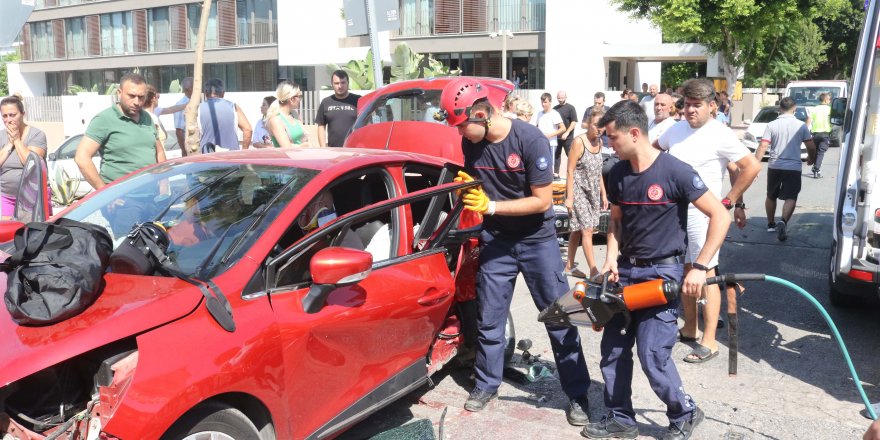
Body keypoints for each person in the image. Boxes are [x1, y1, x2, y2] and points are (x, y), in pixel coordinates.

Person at [435, 78, 592, 426]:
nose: (460, 133)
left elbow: (540, 201)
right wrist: (468, 188)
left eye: (462, 125)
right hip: (498, 242)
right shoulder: (472, 144)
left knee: (560, 318)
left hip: (538, 241)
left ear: (481, 113)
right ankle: (486, 384)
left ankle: (578, 393)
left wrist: (490, 206)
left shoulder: (529, 139)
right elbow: (479, 185)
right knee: (490, 319)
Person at [583, 99, 729, 440]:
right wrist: (609, 259)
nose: (608, 144)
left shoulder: (675, 171)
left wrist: (700, 267)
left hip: (662, 277)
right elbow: (616, 222)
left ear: (635, 133)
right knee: (613, 352)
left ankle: (684, 412)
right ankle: (621, 419)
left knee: (652, 355)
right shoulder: (616, 173)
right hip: (624, 276)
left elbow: (719, 216)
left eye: (612, 138)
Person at [656, 79, 761, 364]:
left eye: (696, 105)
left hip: (704, 217)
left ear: (712, 106)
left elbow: (751, 166)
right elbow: (653, 151)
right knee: (687, 271)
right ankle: (690, 328)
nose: (690, 110)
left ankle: (710, 340)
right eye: (686, 104)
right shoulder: (674, 129)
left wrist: (728, 201)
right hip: (675, 214)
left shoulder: (720, 133)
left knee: (707, 274)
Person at [75, 73, 166, 236]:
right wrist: (105, 194)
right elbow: (82, 157)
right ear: (119, 93)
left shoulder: (147, 118)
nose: (137, 102)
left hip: (152, 199)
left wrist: (164, 186)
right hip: (123, 203)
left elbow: (158, 150)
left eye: (141, 97)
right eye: (132, 96)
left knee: (155, 250)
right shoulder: (104, 119)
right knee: (130, 254)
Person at [755, 96, 817, 242]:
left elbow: (763, 146)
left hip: (775, 165)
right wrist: (811, 159)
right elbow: (811, 146)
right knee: (791, 196)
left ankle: (771, 224)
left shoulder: (771, 125)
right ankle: (783, 221)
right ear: (794, 109)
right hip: (793, 167)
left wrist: (755, 165)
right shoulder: (801, 126)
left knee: (771, 195)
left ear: (780, 109)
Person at [564, 110, 607, 278]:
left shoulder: (600, 142)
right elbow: (569, 170)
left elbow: (598, 171)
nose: (599, 129)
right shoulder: (578, 142)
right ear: (589, 124)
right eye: (596, 125)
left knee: (576, 230)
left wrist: (603, 193)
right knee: (587, 230)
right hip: (579, 190)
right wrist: (569, 197)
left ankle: (569, 266)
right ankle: (594, 270)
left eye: (602, 126)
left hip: (593, 191)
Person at [0, 95, 48, 218]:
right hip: (7, 196)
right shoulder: (2, 136)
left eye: (12, 115)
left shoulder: (37, 135)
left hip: (32, 197)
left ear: (23, 114)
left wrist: (16, 140)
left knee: (29, 232)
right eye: (4, 116)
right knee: (9, 234)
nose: (8, 120)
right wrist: (9, 145)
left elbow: (31, 164)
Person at [198, 79, 253, 153]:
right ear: (223, 93)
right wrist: (244, 151)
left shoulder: (198, 109)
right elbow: (248, 129)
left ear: (205, 93)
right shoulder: (233, 107)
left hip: (207, 157)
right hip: (231, 156)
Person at [315, 70, 361, 147]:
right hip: (334, 151)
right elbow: (321, 126)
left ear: (348, 83)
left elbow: (367, 123)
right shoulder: (326, 102)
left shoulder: (358, 100)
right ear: (332, 84)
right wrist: (323, 148)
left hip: (354, 149)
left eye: (343, 82)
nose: (340, 86)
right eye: (336, 83)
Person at [266, 80, 308, 148]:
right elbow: (286, 148)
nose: (300, 99)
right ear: (291, 99)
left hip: (301, 156)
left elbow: (304, 139)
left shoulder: (295, 115)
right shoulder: (276, 120)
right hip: (286, 158)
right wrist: (303, 146)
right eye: (299, 96)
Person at [535, 93, 564, 175]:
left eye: (545, 102)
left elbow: (563, 128)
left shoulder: (555, 114)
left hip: (551, 143)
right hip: (540, 143)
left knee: (549, 164)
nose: (543, 104)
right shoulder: (539, 114)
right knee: (540, 162)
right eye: (542, 102)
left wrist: (549, 135)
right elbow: (537, 126)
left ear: (550, 102)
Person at [805, 92, 832, 178]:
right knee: (821, 152)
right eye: (829, 99)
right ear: (825, 100)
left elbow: (809, 120)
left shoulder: (814, 109)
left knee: (816, 151)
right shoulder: (830, 109)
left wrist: (804, 130)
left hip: (815, 134)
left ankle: (815, 167)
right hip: (825, 134)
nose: (830, 101)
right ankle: (816, 169)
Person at [554, 91, 578, 177]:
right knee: (556, 155)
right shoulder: (555, 109)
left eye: (562, 97)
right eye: (559, 98)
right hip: (557, 137)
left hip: (568, 137)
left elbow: (574, 122)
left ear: (566, 97)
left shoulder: (571, 108)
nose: (560, 99)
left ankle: (574, 174)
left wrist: (567, 133)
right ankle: (556, 174)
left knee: (571, 155)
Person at [174, 77, 193, 156]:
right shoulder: (180, 105)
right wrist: (184, 151)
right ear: (189, 89)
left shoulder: (201, 101)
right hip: (190, 148)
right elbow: (179, 131)